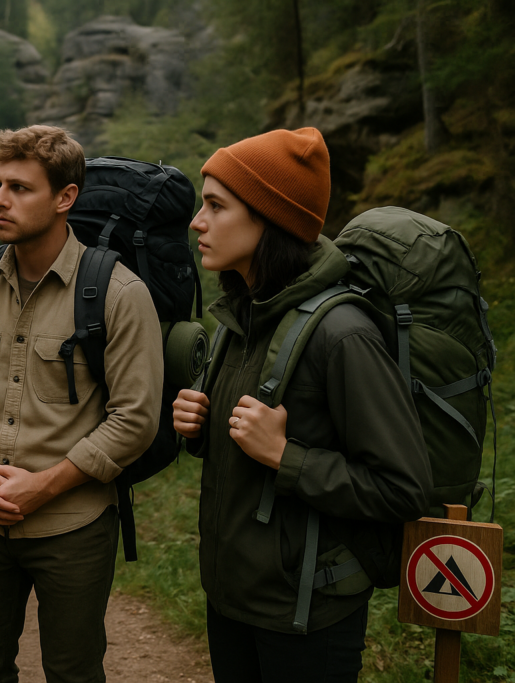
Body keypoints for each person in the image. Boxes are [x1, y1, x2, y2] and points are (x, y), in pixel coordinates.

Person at [172, 128, 432, 682]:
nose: (198, 221)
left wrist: (286, 457)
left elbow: (403, 488)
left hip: (307, 618)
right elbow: (247, 444)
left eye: (216, 206)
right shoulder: (239, 319)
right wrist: (200, 430)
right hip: (231, 601)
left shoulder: (343, 334)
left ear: (270, 218)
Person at [0, 125, 163, 683]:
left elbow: (135, 419)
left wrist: (45, 484)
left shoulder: (119, 294)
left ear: (65, 198)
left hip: (75, 527)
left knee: (73, 672)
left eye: (19, 187)